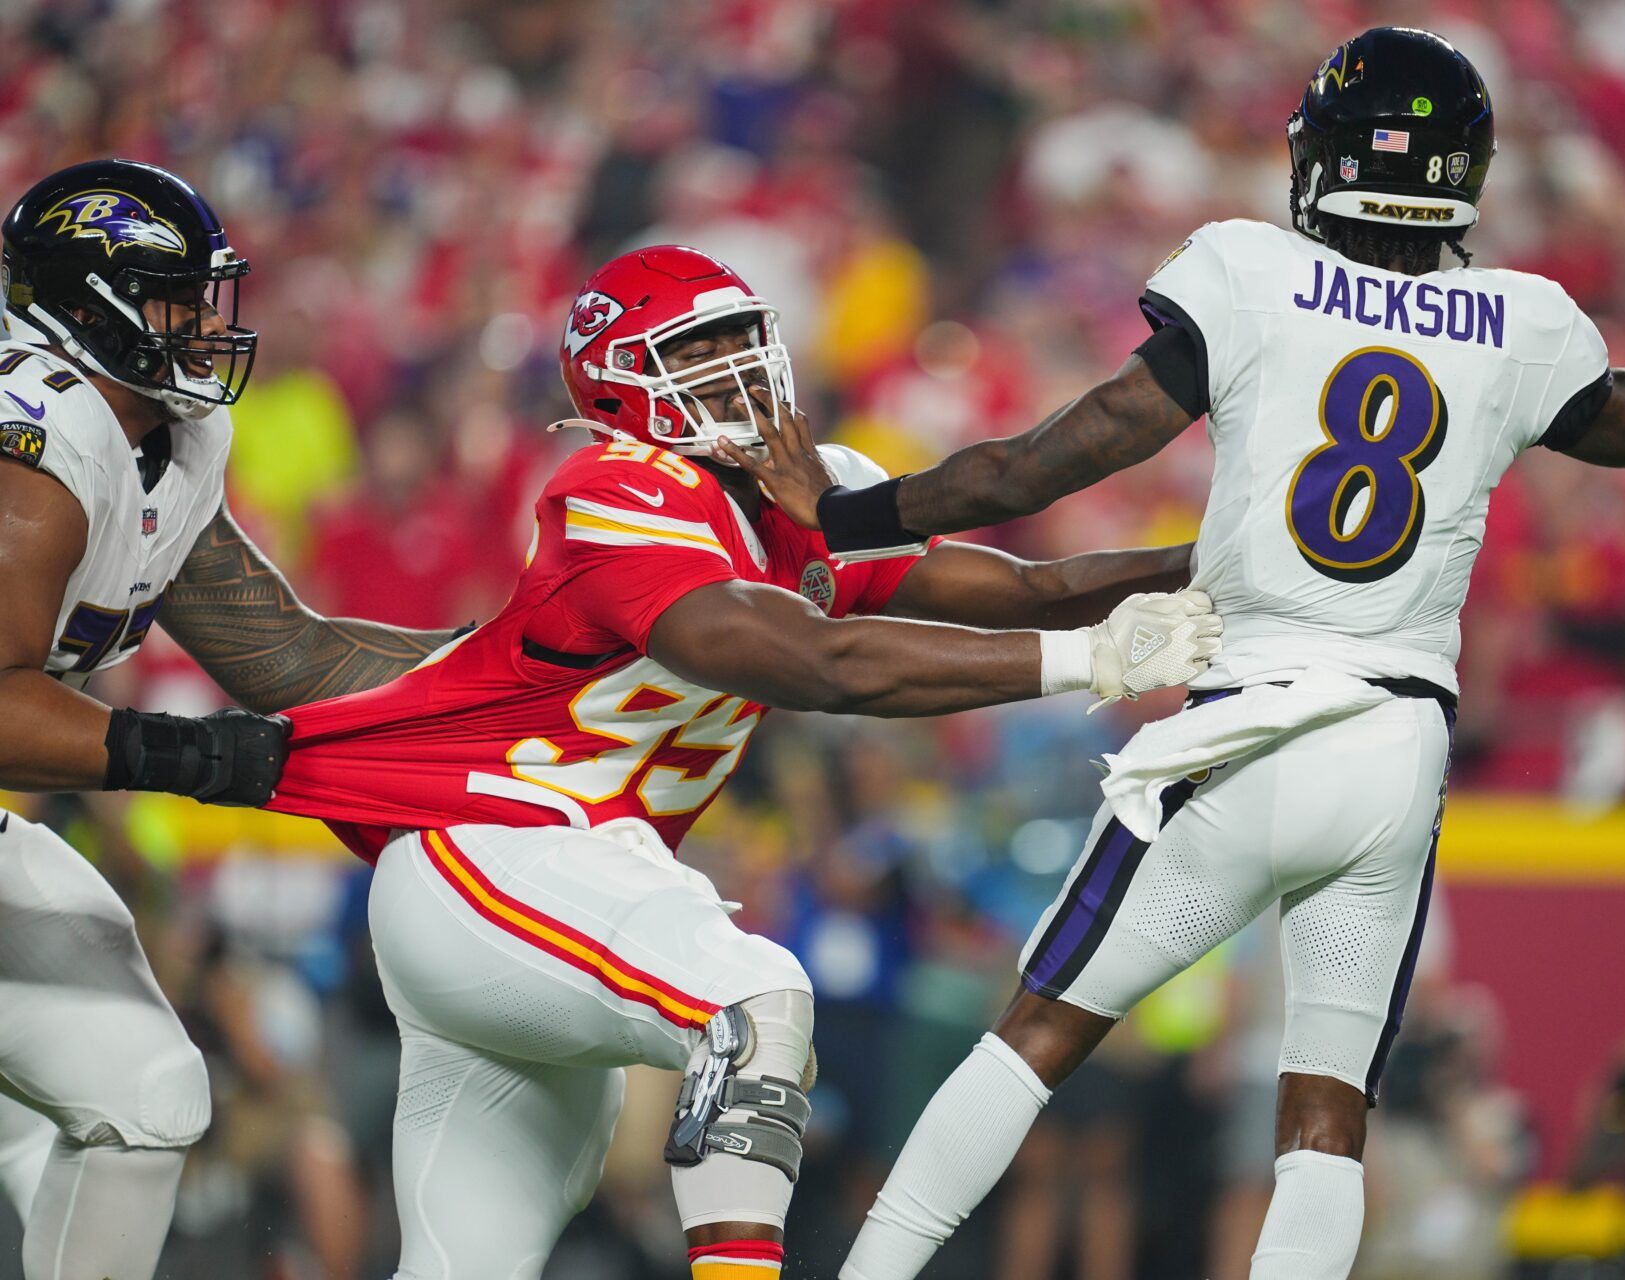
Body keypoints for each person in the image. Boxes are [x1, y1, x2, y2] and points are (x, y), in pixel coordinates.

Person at [726, 27, 1625, 1280]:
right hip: (1396, 747)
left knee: (1033, 1035)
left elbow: (1045, 464)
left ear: (1325, 157)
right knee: (1326, 1116)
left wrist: (848, 511)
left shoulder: (1250, 273)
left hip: (1248, 727)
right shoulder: (1520, 324)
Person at [256, 243, 1221, 1280]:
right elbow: (822, 661)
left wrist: (1231, 559)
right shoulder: (617, 485)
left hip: (567, 878)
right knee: (753, 1002)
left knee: (466, 1265)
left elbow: (1032, 586)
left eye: (740, 339)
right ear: (621, 382)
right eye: (694, 350)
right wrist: (1091, 660)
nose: (735, 368)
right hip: (491, 851)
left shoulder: (809, 491)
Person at [0, 157, 460, 1280]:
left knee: (146, 1089)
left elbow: (286, 653)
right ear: (86, 301)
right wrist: (196, 757)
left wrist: (527, 671)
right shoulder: (33, 439)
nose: (204, 325)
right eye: (178, 299)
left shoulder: (161, 432)